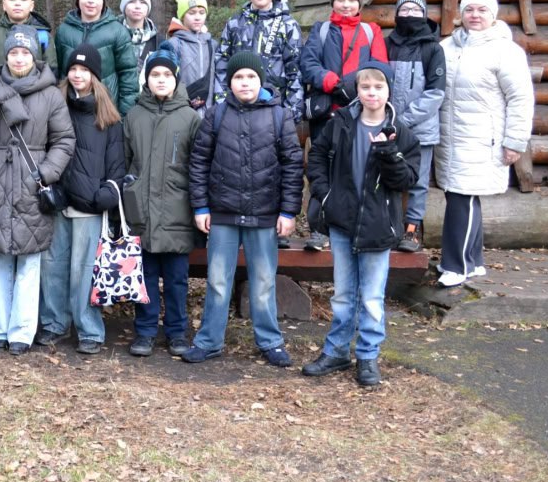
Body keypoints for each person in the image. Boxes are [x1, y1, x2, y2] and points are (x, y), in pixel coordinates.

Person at [182, 51, 303, 367]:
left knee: (263, 281)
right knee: (217, 281)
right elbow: (199, 162)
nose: (245, 82)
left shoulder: (279, 116)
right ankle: (209, 341)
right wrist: (200, 206)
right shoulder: (216, 115)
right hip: (223, 213)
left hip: (264, 214)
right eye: (238, 77)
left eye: (251, 76)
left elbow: (292, 165)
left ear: (260, 80)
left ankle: (270, 342)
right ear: (229, 82)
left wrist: (288, 212)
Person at [303, 64, 419, 386]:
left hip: (378, 227)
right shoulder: (340, 123)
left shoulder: (401, 133)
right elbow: (317, 156)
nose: (371, 93)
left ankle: (368, 356)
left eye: (378, 87)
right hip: (342, 221)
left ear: (388, 91)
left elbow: (407, 179)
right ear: (357, 90)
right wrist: (325, 194)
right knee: (343, 294)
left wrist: (388, 152)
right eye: (365, 87)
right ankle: (336, 351)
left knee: (371, 297)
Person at [0, 27, 75, 355]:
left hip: (32, 182)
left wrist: (46, 172)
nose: (18, 58)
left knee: (29, 263)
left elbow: (64, 140)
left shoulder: (51, 95)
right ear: (6, 56)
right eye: (13, 52)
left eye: (24, 53)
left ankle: (22, 332)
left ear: (34, 57)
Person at [435, 0, 534, 287]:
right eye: (469, 10)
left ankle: (456, 266)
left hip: (482, 139)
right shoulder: (446, 47)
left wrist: (514, 142)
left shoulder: (506, 51)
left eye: (482, 10)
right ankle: (474, 261)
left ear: (493, 15)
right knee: (463, 195)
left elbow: (520, 99)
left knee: (460, 197)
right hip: (450, 137)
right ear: (460, 14)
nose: (474, 15)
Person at [36, 44, 126, 355]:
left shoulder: (108, 116)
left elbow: (117, 162)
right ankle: (54, 324)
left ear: (95, 76)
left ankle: (89, 329)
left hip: (90, 205)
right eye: (73, 69)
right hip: (59, 202)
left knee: (84, 270)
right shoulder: (56, 105)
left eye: (84, 70)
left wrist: (108, 192)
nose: (78, 75)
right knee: (53, 266)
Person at [298, 0, 388, 251]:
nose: (346, 4)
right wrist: (330, 82)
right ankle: (319, 228)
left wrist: (351, 86)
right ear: (333, 3)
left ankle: (354, 226)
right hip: (326, 114)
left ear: (359, 3)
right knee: (321, 169)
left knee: (356, 169)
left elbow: (380, 67)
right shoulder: (322, 30)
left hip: (360, 113)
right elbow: (308, 63)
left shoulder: (371, 32)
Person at [123, 45, 201, 357]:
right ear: (147, 79)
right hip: (141, 212)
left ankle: (177, 331)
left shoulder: (190, 118)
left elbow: (197, 166)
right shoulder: (134, 115)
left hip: (176, 212)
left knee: (177, 280)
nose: (161, 79)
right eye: (155, 74)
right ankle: (144, 331)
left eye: (167, 74)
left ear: (176, 79)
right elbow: (125, 162)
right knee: (144, 276)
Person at [384, 0, 446, 252]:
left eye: (415, 10)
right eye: (404, 9)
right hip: (387, 126)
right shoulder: (387, 44)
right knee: (388, 176)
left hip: (421, 130)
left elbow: (435, 93)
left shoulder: (433, 49)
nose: (409, 14)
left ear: (424, 14)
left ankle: (411, 229)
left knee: (418, 182)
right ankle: (389, 226)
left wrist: (404, 120)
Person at [213, 0, 304, 119]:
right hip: (237, 109)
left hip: (275, 109)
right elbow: (222, 63)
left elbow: (295, 71)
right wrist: (222, 104)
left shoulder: (288, 25)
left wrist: (291, 114)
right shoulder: (234, 23)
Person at [56, 0, 139, 115]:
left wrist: (124, 117)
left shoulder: (117, 32)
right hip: (69, 112)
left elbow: (128, 79)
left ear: (104, 0)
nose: (91, 0)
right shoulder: (63, 31)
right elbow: (58, 73)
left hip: (106, 113)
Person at [164, 0, 216, 114]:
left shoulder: (212, 44)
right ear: (182, 16)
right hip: (181, 112)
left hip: (209, 112)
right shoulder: (174, 44)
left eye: (202, 12)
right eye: (192, 13)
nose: (197, 17)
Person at [119, 0, 162, 74]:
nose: (138, 6)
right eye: (132, 1)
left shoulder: (158, 40)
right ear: (124, 6)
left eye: (142, 2)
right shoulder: (113, 36)